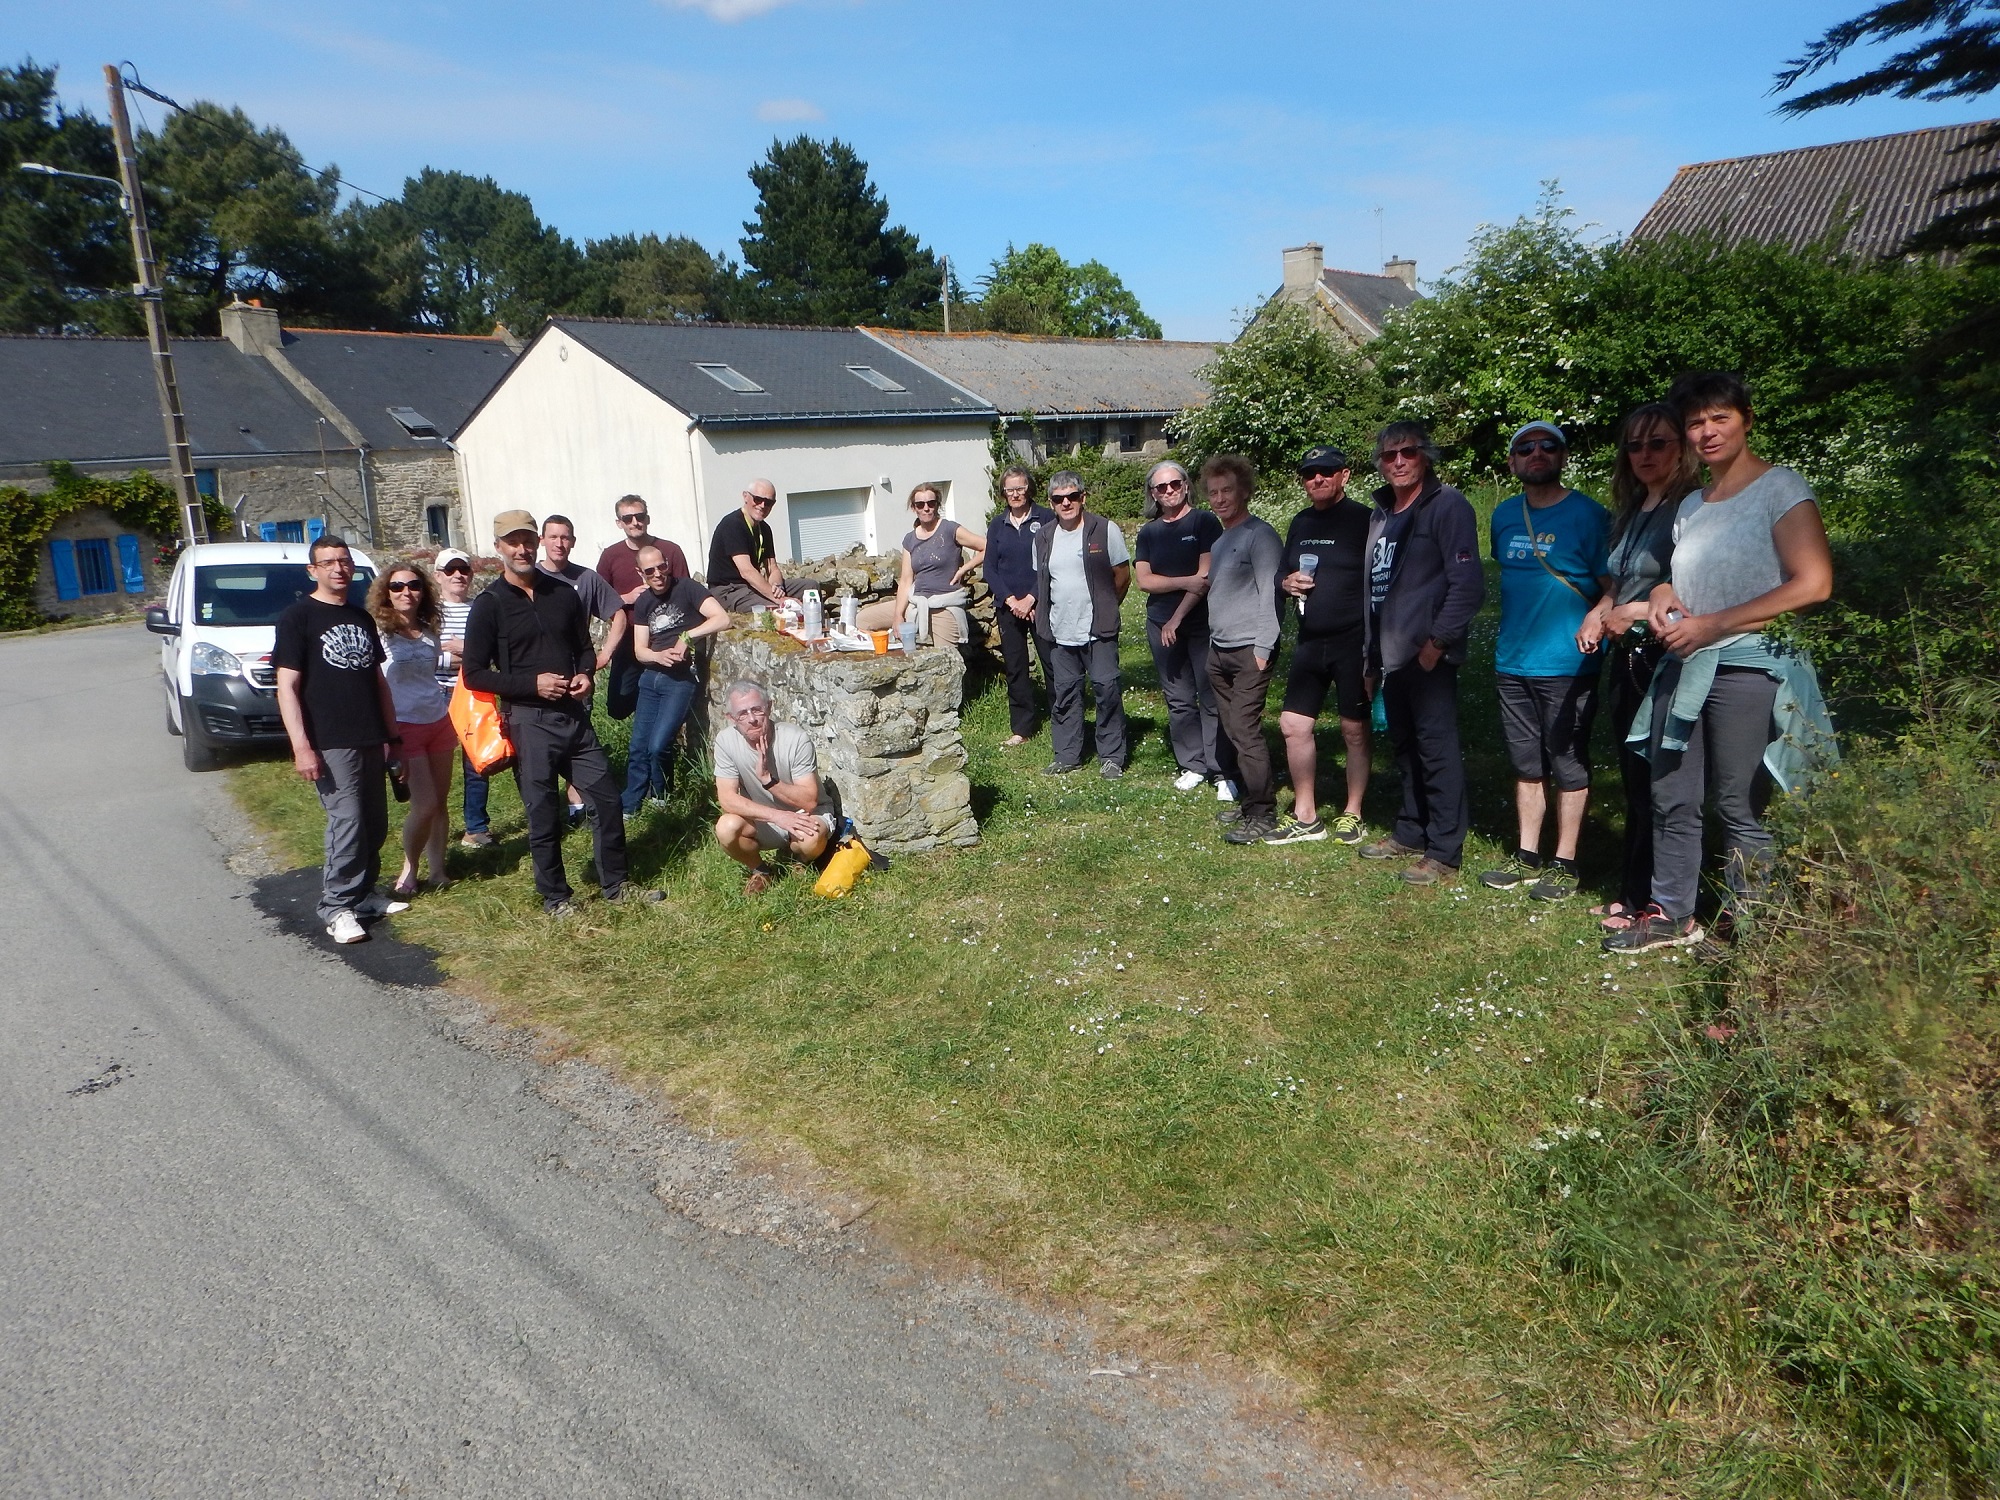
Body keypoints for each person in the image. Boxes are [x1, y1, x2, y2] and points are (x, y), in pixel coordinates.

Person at [1605, 371, 1836, 953]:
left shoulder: (1780, 487)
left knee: (1737, 802)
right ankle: (1671, 912)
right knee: (1670, 793)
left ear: (1746, 420)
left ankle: (1751, 923)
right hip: (1685, 664)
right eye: (1695, 423)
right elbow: (1679, 584)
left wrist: (1713, 624)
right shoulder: (1691, 504)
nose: (1707, 432)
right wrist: (1662, 599)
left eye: (1719, 418)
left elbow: (1813, 584)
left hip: (1749, 666)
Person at [462, 509, 631, 915]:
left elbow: (585, 647)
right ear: (498, 547)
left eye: (527, 540)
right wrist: (531, 685)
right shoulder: (489, 604)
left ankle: (617, 885)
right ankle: (556, 897)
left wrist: (587, 673)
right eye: (512, 542)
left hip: (573, 716)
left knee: (606, 800)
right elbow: (474, 674)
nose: (521, 548)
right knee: (542, 813)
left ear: (536, 542)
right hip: (528, 719)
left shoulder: (564, 594)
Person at [1475, 422, 1612, 902]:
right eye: (1525, 448)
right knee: (1525, 762)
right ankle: (1527, 853)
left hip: (1568, 662)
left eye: (1547, 446)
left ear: (1562, 456)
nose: (1536, 454)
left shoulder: (1590, 516)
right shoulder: (1505, 515)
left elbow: (1613, 584)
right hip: (1512, 660)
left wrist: (1597, 616)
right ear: (1512, 462)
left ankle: (1566, 859)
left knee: (1567, 761)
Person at [1575, 404, 1700, 931]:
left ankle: (1655, 899)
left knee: (1660, 779)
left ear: (1682, 448)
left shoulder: (1689, 509)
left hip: (1665, 658)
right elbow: (1618, 584)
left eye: (1658, 444)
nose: (1645, 455)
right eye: (1635, 446)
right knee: (1633, 776)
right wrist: (1600, 612)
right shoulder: (1630, 509)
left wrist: (1634, 613)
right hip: (1625, 658)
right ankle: (1632, 889)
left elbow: (1691, 592)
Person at [1358, 421, 1485, 885]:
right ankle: (1410, 831)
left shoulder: (1447, 506)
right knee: (1405, 749)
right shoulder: (1383, 514)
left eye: (1407, 453)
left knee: (1437, 752)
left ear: (1424, 456)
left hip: (1426, 654)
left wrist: (1437, 643)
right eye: (1389, 455)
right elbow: (1373, 589)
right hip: (1390, 655)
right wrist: (1370, 657)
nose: (1398, 462)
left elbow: (1467, 585)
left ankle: (1445, 851)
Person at [273, 535, 410, 945]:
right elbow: (287, 687)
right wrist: (301, 747)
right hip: (331, 741)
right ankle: (337, 907)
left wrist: (394, 738)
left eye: (344, 561)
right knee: (347, 822)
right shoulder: (298, 618)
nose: (339, 568)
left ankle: (365, 894)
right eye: (328, 562)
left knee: (374, 821)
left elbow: (378, 683)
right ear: (312, 570)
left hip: (371, 735)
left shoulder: (360, 617)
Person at [1276, 445, 1373, 845]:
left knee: (1353, 730)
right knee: (1293, 725)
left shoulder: (1366, 520)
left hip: (1354, 641)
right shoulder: (1300, 521)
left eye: (1326, 472)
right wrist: (1287, 582)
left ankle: (1353, 811)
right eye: (1309, 474)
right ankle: (1306, 814)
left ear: (1344, 476)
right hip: (1310, 641)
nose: (1316, 479)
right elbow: (1284, 569)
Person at [1198, 455, 1288, 845]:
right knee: (1233, 727)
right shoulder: (1220, 541)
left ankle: (1264, 813)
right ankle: (1251, 799)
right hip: (1220, 650)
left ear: (1245, 491)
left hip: (1251, 648)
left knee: (1246, 730)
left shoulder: (1260, 535)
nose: (1219, 499)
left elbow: (1272, 592)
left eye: (1227, 490)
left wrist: (1265, 647)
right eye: (1214, 492)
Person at [1134, 459, 1235, 800]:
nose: (1169, 491)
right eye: (1161, 487)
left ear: (1186, 485)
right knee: (1178, 700)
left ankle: (1222, 770)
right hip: (1158, 623)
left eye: (1174, 484)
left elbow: (1205, 578)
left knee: (1211, 696)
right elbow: (1143, 581)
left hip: (1200, 622)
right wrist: (1183, 581)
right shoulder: (1149, 532)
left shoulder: (1205, 521)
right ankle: (1193, 764)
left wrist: (1177, 616)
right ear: (1153, 493)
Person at [1033, 471, 1131, 779]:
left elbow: (1122, 576)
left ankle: (1112, 757)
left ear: (1083, 497)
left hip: (1097, 630)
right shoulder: (1044, 536)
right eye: (1059, 499)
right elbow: (1043, 581)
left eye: (1072, 496)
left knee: (1106, 690)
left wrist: (1105, 608)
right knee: (1064, 694)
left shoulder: (1105, 529)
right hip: (1060, 630)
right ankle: (1066, 755)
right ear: (1051, 503)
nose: (1066, 503)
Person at [369, 560, 457, 897]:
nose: (407, 592)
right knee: (425, 804)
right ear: (386, 593)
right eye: (397, 587)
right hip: (404, 725)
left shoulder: (429, 631)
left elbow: (432, 674)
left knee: (441, 802)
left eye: (414, 585)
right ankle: (409, 869)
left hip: (438, 720)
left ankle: (438, 869)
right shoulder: (379, 633)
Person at [624, 544, 730, 815]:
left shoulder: (687, 589)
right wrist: (658, 657)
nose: (658, 574)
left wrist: (687, 637)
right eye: (650, 571)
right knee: (638, 746)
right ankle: (630, 805)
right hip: (651, 677)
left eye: (662, 566)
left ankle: (661, 797)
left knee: (659, 744)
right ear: (641, 574)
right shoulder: (644, 602)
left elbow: (722, 618)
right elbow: (640, 649)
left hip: (680, 679)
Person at [542, 513, 632, 825]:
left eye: (565, 537)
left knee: (575, 740)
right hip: (537, 678)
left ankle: (575, 805)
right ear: (542, 540)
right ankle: (544, 809)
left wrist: (604, 654)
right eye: (553, 537)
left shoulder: (586, 579)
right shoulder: (531, 578)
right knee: (542, 746)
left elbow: (618, 613)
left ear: (573, 542)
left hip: (577, 676)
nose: (559, 543)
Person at [712, 680, 831, 894]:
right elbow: (727, 799)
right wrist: (776, 817)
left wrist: (768, 779)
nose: (752, 719)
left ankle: (799, 862)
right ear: (731, 718)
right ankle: (761, 871)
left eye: (757, 710)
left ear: (770, 707)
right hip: (766, 819)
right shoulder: (725, 742)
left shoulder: (795, 739)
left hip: (806, 814)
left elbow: (809, 800)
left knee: (810, 840)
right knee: (726, 827)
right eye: (742, 714)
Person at [594, 494, 690, 721]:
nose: (635, 522)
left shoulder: (670, 550)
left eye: (640, 516)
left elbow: (686, 593)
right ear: (619, 523)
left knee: (667, 701)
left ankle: (652, 741)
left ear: (648, 518)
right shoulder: (610, 556)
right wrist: (625, 598)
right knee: (618, 707)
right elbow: (598, 600)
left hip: (665, 638)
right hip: (628, 638)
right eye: (628, 518)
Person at [856, 482, 986, 646]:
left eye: (931, 503)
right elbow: (905, 581)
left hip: (944, 606)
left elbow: (987, 547)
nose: (926, 508)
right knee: (863, 620)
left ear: (937, 505)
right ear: (914, 508)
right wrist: (898, 615)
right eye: (920, 504)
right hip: (916, 603)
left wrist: (964, 569)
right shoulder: (910, 539)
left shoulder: (950, 529)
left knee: (946, 661)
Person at [984, 465, 1054, 746]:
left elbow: (1050, 563)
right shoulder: (997, 525)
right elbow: (990, 568)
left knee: (1052, 664)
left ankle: (1062, 718)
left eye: (1020, 488)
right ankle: (1022, 729)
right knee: (1016, 667)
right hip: (1009, 606)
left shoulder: (1046, 518)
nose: (1015, 494)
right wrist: (1012, 600)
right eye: (1009, 489)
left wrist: (1032, 598)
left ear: (1029, 489)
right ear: (1003, 493)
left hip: (1039, 603)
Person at [433, 548, 491, 849]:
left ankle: (476, 827)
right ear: (438, 576)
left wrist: (461, 649)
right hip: (437, 693)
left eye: (464, 570)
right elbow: (426, 657)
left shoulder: (480, 609)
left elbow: (489, 655)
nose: (458, 575)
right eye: (450, 570)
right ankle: (433, 827)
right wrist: (465, 654)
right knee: (436, 765)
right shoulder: (430, 613)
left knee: (476, 760)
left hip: (471, 693)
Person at [707, 480, 789, 613]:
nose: (762, 505)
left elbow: (772, 567)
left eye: (768, 502)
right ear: (745, 496)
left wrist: (777, 587)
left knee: (810, 587)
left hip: (750, 587)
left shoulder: (764, 528)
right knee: (773, 609)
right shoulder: (732, 525)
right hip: (729, 589)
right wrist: (780, 600)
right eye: (757, 499)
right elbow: (747, 571)